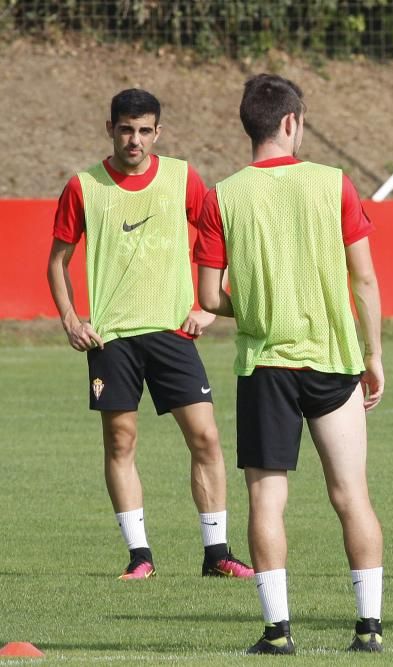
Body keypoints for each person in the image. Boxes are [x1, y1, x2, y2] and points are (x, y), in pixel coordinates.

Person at [196, 74, 386, 654]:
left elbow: (208, 298)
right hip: (334, 359)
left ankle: (278, 632)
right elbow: (366, 278)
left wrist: (251, 303)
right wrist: (373, 354)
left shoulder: (222, 197)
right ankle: (368, 627)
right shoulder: (335, 184)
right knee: (351, 495)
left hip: (265, 366)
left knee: (266, 501)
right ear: (291, 122)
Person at [46, 88, 253, 582]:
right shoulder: (84, 186)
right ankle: (140, 556)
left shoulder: (183, 178)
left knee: (205, 438)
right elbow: (58, 261)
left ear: (157, 132)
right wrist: (72, 320)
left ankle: (217, 553)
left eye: (144, 130)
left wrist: (210, 305)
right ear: (111, 129)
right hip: (111, 338)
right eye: (125, 129)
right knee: (121, 441)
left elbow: (220, 241)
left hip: (172, 333)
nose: (134, 139)